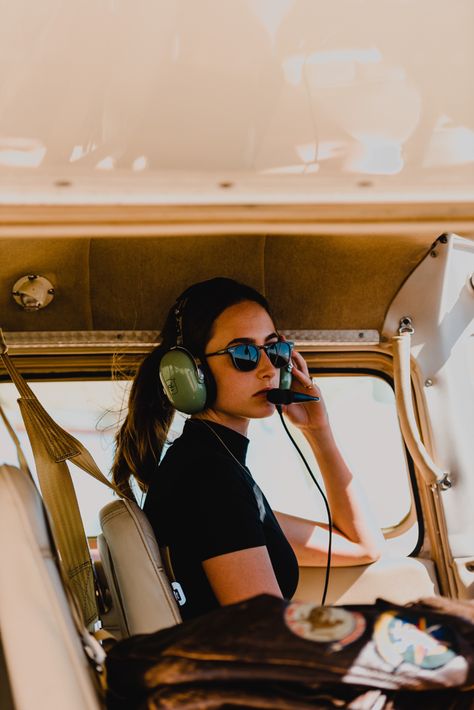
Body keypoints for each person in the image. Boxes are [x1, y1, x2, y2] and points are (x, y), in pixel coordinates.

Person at [112, 277, 384, 620]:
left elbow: (362, 546)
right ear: (192, 373)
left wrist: (318, 431)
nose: (269, 368)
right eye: (243, 354)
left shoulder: (214, 466)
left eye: (274, 349)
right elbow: (268, 630)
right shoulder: (210, 479)